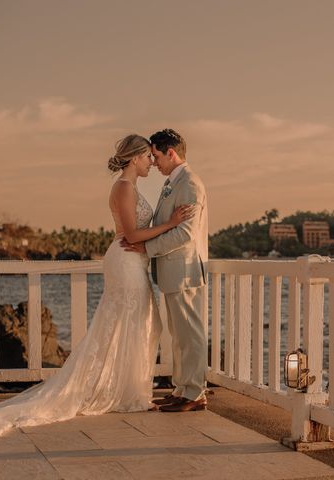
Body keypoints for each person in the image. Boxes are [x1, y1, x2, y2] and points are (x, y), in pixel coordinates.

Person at [0, 134, 193, 448]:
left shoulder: (131, 187)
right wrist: (171, 223)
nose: (151, 163)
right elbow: (131, 233)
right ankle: (130, 395)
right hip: (126, 262)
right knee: (132, 323)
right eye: (146, 158)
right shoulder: (124, 188)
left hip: (132, 261)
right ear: (133, 158)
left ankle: (131, 391)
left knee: (138, 324)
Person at [123, 128, 209, 412]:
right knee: (179, 333)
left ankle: (195, 394)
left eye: (157, 156)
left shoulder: (190, 184)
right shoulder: (175, 181)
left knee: (190, 334)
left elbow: (185, 233)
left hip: (184, 271)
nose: (154, 162)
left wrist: (146, 249)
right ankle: (182, 388)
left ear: (171, 153)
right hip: (173, 271)